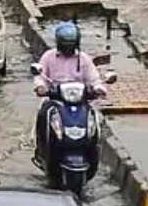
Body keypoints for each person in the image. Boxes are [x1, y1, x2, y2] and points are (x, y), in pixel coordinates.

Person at [34, 22, 108, 163]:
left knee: (96, 121)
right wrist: (41, 87)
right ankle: (42, 150)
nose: (68, 48)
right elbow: (39, 75)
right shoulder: (49, 57)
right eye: (65, 44)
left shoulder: (84, 59)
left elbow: (93, 77)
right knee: (44, 115)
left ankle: (93, 153)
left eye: (71, 44)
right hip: (55, 100)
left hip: (79, 101)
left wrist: (98, 87)